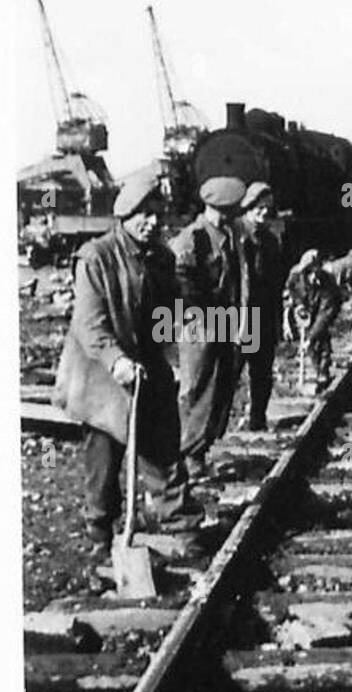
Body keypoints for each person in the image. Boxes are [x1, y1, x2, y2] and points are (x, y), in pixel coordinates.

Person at [53, 174, 201, 548]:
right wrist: (116, 360)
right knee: (103, 464)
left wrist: (174, 353)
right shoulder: (96, 257)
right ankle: (100, 535)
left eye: (157, 214)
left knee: (165, 450)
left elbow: (166, 314)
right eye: (143, 215)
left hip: (148, 369)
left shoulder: (162, 258)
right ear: (124, 215)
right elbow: (89, 323)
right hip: (101, 375)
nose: (152, 222)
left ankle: (180, 528)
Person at [171, 175, 247, 480]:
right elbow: (182, 288)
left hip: (224, 322)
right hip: (198, 325)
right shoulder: (193, 238)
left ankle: (200, 451)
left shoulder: (227, 234)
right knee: (197, 388)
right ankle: (187, 457)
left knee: (221, 388)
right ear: (220, 207)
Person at [235, 181, 285, 430]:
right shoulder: (235, 234)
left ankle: (257, 418)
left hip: (263, 315)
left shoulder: (271, 241)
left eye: (267, 209)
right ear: (247, 207)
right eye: (258, 208)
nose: (264, 213)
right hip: (235, 316)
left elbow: (276, 283)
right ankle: (220, 424)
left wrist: (279, 319)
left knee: (262, 372)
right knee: (229, 373)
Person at [285, 248, 341, 395]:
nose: (314, 276)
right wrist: (299, 304)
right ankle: (316, 368)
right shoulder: (295, 276)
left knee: (320, 336)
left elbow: (325, 315)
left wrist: (310, 338)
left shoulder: (328, 282)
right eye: (310, 272)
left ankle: (323, 371)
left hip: (326, 308)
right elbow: (290, 291)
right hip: (306, 306)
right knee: (309, 338)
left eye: (316, 271)